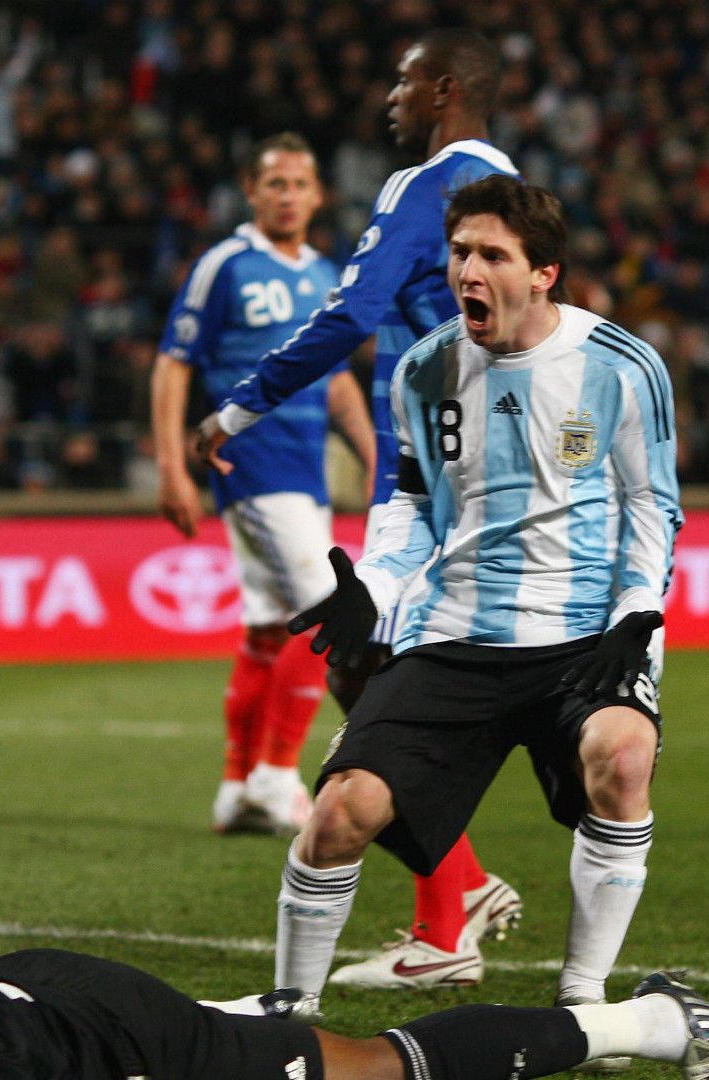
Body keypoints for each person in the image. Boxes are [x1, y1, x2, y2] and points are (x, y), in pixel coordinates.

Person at [276, 176, 681, 1050]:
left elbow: (653, 507)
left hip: (583, 639)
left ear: (543, 273)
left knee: (623, 755)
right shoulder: (425, 369)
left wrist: (637, 613)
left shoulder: (621, 365)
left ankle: (582, 997)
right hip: (456, 632)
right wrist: (372, 585)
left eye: (493, 255)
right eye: (460, 252)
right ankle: (289, 1009)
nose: (468, 270)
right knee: (341, 810)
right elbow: (414, 503)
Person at [192, 30, 525, 991]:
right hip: (481, 471)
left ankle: (452, 917)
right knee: (369, 667)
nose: (390, 96)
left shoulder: (427, 187)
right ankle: (454, 900)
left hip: (429, 482)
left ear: (444, 90)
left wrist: (239, 405)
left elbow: (350, 312)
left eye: (404, 80)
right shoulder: (515, 193)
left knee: (375, 677)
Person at [151, 132, 373, 835]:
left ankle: (237, 787)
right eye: (274, 183)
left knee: (270, 630)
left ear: (318, 195)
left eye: (299, 184)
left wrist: (373, 455)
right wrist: (171, 465)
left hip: (305, 469)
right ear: (251, 191)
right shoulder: (225, 265)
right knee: (330, 613)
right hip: (252, 462)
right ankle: (278, 779)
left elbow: (335, 378)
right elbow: (173, 362)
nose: (287, 196)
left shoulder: (326, 273)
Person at [0, 947, 709, 1080]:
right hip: (18, 981)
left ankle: (652, 1021)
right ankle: (248, 1012)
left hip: (113, 1034)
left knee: (366, 1070)